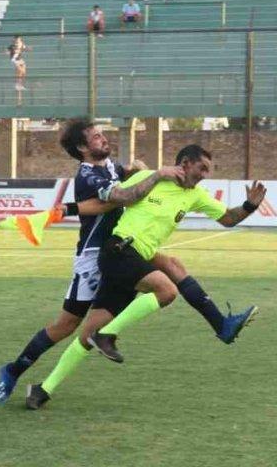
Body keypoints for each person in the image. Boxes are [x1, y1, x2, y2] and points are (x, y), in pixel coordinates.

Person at [26, 144, 265, 410]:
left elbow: (229, 218)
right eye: (202, 168)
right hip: (118, 250)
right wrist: (64, 210)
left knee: (87, 335)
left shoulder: (196, 195)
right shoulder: (150, 178)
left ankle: (43, 389)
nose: (205, 175)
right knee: (166, 290)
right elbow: (110, 201)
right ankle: (108, 335)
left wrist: (249, 206)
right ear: (185, 163)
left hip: (135, 262)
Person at [0, 118, 201, 404]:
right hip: (93, 257)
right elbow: (125, 197)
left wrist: (135, 170)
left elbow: (126, 177)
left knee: (166, 272)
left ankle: (213, 320)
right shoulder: (87, 176)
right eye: (96, 136)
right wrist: (156, 175)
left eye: (102, 134)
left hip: (123, 250)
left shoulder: (112, 166)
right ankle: (13, 370)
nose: (103, 139)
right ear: (82, 147)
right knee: (66, 326)